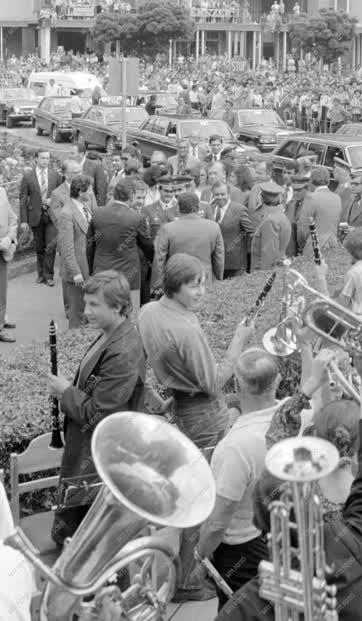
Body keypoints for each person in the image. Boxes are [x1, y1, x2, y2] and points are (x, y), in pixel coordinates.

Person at [218, 351, 362, 621]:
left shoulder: (241, 608)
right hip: (359, 596)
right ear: (358, 451)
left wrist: (312, 382)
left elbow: (278, 430)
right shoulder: (355, 534)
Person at [138, 254, 253, 602]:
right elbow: (214, 383)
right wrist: (239, 338)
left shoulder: (149, 311)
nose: (202, 291)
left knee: (193, 490)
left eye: (203, 282)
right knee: (203, 497)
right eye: (194, 284)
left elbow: (146, 362)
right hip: (204, 414)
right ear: (175, 285)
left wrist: (165, 395)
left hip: (184, 407)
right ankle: (188, 580)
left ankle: (189, 567)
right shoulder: (186, 330)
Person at [49, 271, 146, 546]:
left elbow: (100, 415)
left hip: (99, 462)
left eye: (94, 305)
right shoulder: (111, 333)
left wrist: (65, 392)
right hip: (88, 453)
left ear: (117, 306)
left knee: (92, 543)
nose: (86, 311)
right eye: (86, 302)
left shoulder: (123, 350)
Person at [194, 349, 282, 603]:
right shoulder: (291, 416)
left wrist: (199, 556)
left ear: (236, 384)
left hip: (241, 549)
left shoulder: (235, 447)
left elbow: (218, 522)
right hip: (277, 536)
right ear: (277, 381)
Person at [87, 178, 153, 315]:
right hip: (128, 276)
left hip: (101, 272)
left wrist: (91, 270)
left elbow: (90, 246)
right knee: (128, 315)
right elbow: (148, 246)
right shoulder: (137, 218)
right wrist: (152, 261)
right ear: (131, 195)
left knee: (104, 313)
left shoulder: (98, 213)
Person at [151, 191, 224, 291]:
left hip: (177, 282)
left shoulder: (167, 229)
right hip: (205, 281)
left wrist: (157, 285)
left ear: (178, 208)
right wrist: (218, 277)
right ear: (198, 207)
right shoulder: (213, 227)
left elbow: (159, 259)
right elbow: (219, 257)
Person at [19, 150, 62, 286]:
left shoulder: (55, 175)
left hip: (51, 216)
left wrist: (53, 200)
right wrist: (24, 220)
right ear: (36, 159)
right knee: (39, 246)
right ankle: (40, 273)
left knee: (50, 245)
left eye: (47, 158)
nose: (45, 161)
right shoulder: (28, 176)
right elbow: (23, 199)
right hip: (36, 216)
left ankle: (48, 275)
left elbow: (62, 195)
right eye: (42, 158)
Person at [57, 174, 93, 328]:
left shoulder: (84, 207)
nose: (91, 192)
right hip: (77, 273)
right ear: (80, 191)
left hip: (86, 268)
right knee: (77, 316)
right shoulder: (67, 213)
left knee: (86, 312)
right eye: (89, 190)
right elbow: (67, 248)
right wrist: (76, 273)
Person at [296, 164, 341, 255]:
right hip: (333, 246)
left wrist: (302, 246)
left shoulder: (310, 198)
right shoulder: (337, 198)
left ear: (311, 181)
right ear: (328, 181)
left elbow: (302, 228)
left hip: (313, 248)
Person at [212, 182, 253, 278]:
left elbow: (251, 232)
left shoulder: (239, 209)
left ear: (229, 194)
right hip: (216, 262)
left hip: (235, 263)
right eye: (216, 195)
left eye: (223, 194)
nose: (220, 197)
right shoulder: (210, 209)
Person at [250, 182, 291, 271]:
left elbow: (268, 256)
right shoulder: (281, 216)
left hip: (264, 272)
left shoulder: (270, 221)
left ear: (261, 197)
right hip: (278, 267)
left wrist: (263, 278)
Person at [0, 176, 18, 343]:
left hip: (2, 251)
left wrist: (9, 238)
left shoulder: (2, 192)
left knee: (1, 291)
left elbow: (13, 219)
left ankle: (0, 322)